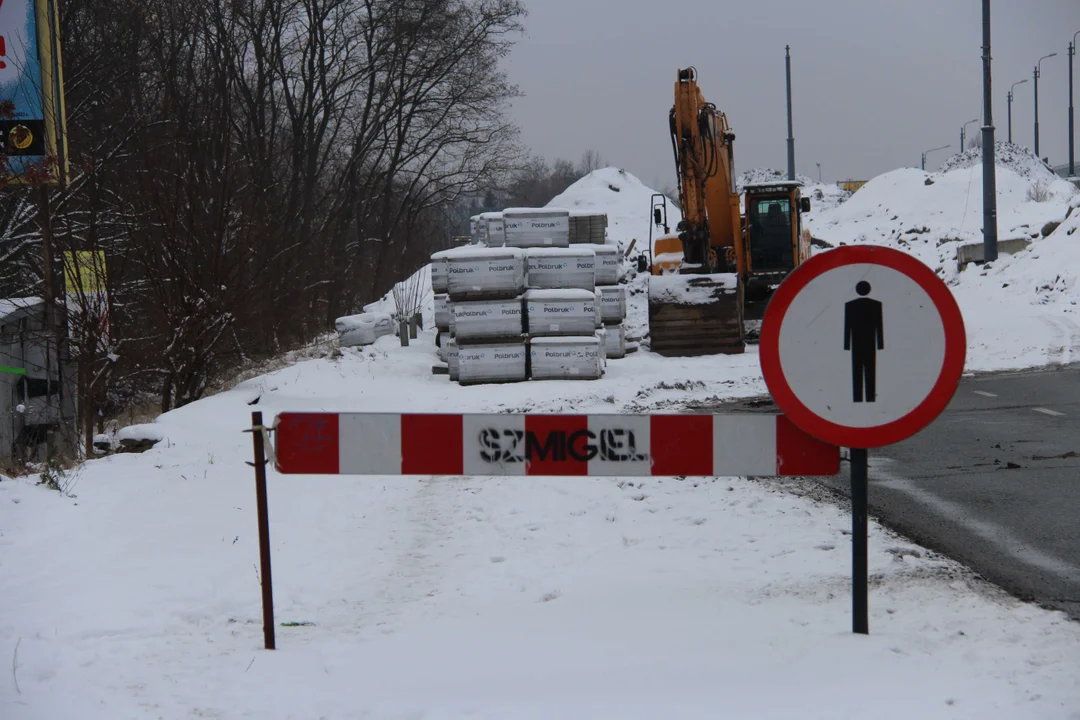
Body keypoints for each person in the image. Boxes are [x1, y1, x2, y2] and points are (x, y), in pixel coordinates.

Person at [844, 281, 883, 402]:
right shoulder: (876, 304)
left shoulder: (850, 305)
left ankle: (857, 398)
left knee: (857, 371)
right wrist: (880, 344)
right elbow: (879, 326)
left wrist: (847, 345)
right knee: (870, 371)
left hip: (856, 343)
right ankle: (871, 398)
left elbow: (847, 327)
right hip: (870, 343)